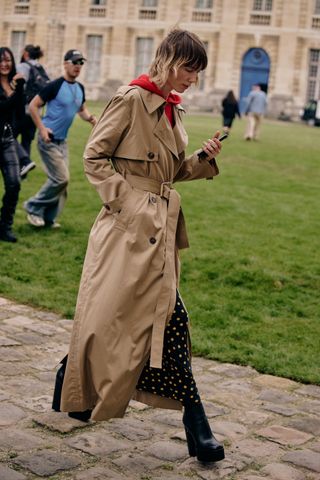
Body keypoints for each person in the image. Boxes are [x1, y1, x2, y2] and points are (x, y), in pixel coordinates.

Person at [53, 30, 225, 463]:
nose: (192, 79)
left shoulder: (172, 109)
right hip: (127, 229)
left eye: (198, 71)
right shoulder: (133, 99)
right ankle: (194, 425)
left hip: (158, 229)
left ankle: (193, 424)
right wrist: (128, 203)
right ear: (167, 59)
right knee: (112, 314)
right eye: (188, 68)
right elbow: (94, 155)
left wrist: (201, 160)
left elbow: (166, 172)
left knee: (164, 316)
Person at [23, 49, 97, 228]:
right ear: (65, 64)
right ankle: (33, 207)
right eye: (74, 62)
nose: (78, 66)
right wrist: (41, 129)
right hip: (48, 139)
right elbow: (33, 106)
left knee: (63, 182)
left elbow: (81, 109)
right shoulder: (54, 85)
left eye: (81, 63)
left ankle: (48, 218)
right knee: (61, 178)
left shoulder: (79, 88)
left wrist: (91, 119)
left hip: (62, 141)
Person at [0, 47, 25, 243]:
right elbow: (3, 108)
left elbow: (19, 111)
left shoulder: (13, 85)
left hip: (7, 141)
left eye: (8, 60)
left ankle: (5, 227)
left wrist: (20, 88)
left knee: (14, 184)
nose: (4, 64)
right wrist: (18, 91)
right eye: (1, 60)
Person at [16, 44, 50, 179]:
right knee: (27, 141)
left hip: (22, 109)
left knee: (9, 136)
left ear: (25, 54)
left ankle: (25, 162)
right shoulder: (40, 69)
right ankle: (24, 170)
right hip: (36, 112)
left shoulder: (22, 67)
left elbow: (18, 85)